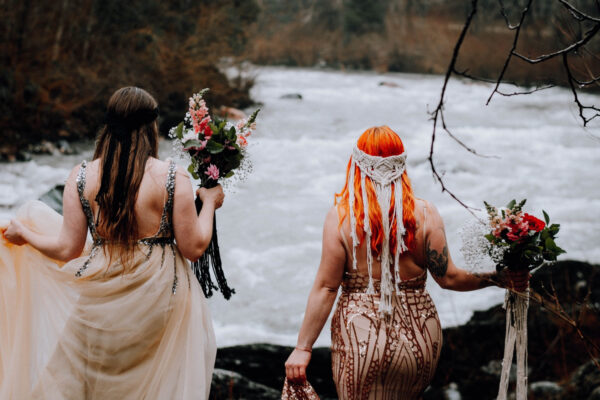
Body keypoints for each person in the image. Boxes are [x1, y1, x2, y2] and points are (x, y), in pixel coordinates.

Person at [1, 87, 224, 399]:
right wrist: (210, 202)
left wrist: (25, 235)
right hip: (160, 295)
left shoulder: (80, 177)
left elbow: (68, 249)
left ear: (108, 125)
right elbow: (194, 248)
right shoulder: (173, 177)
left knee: (84, 383)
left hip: (101, 294)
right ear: (151, 127)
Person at [284, 126, 528, 399]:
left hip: (360, 338)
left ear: (357, 164)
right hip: (420, 337)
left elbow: (327, 288)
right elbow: (450, 278)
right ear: (401, 164)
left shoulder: (341, 217)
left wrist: (303, 348)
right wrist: (500, 278)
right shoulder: (426, 213)